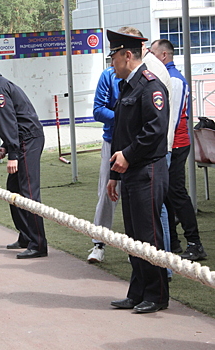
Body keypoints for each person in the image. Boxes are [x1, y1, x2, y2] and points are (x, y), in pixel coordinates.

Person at [106, 30, 169, 313]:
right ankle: (138, 291)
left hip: (147, 169)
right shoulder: (128, 87)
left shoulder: (150, 86)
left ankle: (156, 295)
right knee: (133, 235)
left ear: (127, 55)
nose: (112, 64)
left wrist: (128, 157)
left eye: (114, 58)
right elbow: (122, 132)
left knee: (149, 234)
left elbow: (155, 130)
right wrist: (115, 174)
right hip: (130, 170)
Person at [0, 58, 47, 259]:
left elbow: (11, 122)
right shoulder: (1, 86)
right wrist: (6, 147)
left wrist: (13, 154)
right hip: (23, 140)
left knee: (28, 192)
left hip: (28, 141)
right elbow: (15, 120)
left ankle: (38, 243)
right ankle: (26, 235)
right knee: (14, 189)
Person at [150, 38, 207, 261]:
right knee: (168, 193)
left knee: (176, 193)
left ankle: (194, 242)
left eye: (153, 54)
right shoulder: (169, 77)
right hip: (172, 143)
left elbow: (171, 119)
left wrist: (165, 149)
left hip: (175, 144)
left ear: (164, 56)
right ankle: (173, 241)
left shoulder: (172, 80)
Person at [87, 67, 121, 263]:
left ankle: (138, 250)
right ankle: (98, 244)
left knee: (138, 197)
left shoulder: (147, 74)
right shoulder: (109, 75)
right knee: (107, 194)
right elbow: (98, 110)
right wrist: (125, 119)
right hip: (112, 141)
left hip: (139, 145)